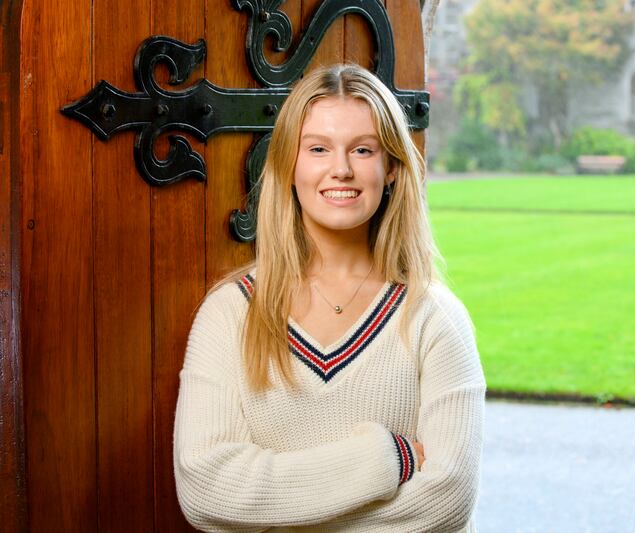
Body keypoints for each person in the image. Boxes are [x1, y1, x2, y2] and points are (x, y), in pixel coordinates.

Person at [173, 63, 486, 532]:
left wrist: (281, 510)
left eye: (363, 149)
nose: (341, 169)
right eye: (318, 148)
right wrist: (388, 458)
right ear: (288, 165)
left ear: (392, 168)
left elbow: (446, 503)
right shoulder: (230, 314)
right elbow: (206, 490)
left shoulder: (435, 318)